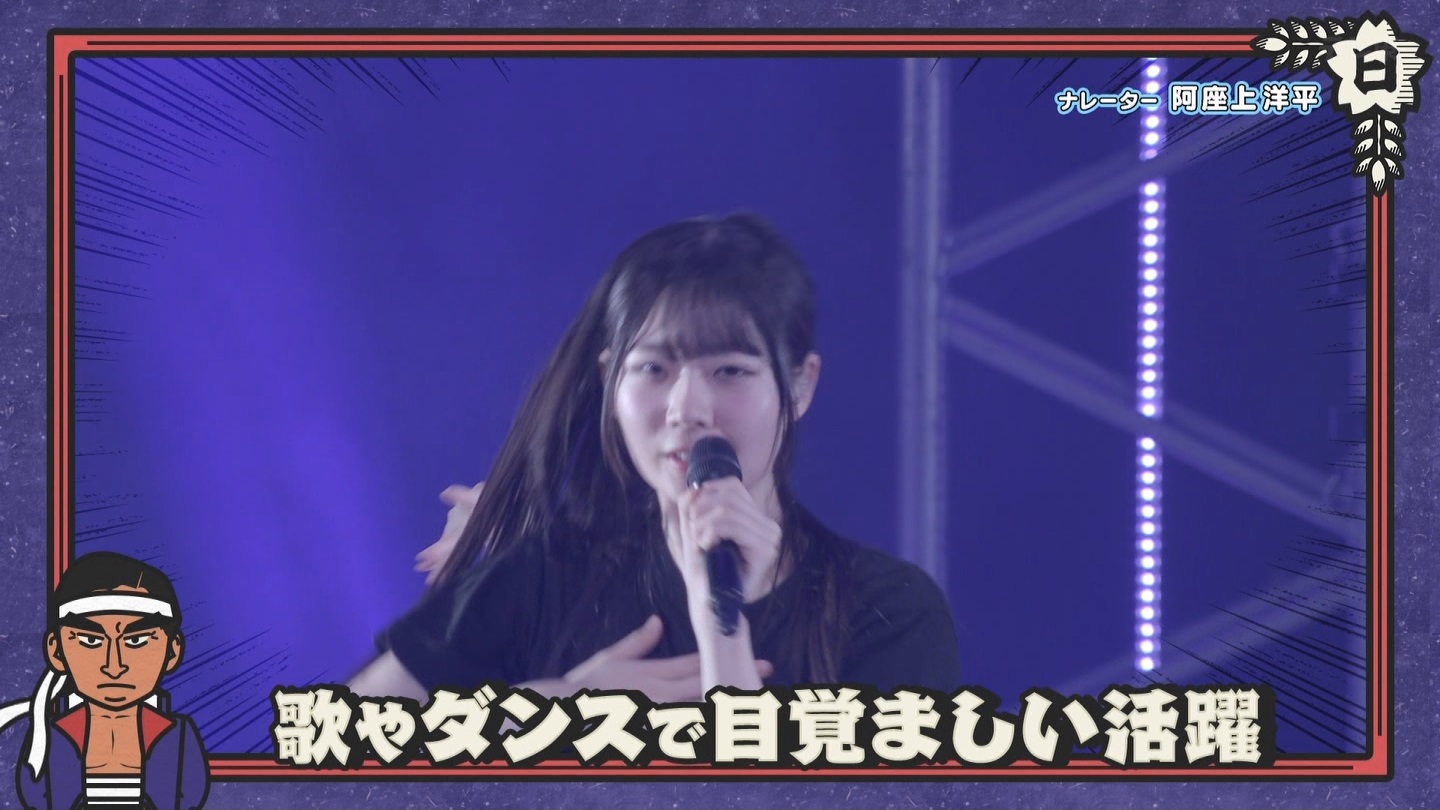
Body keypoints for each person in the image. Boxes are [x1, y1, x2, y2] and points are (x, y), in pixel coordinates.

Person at [351, 213, 960, 703]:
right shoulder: (546, 575)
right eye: (653, 369)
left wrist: (720, 626)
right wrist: (549, 713)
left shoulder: (886, 612)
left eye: (729, 370)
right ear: (609, 382)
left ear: (800, 386)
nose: (686, 409)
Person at [1, 552, 210, 810]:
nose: (114, 666)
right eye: (91, 641)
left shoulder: (180, 741)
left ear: (172, 651)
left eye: (136, 640)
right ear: (56, 651)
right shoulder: (45, 742)